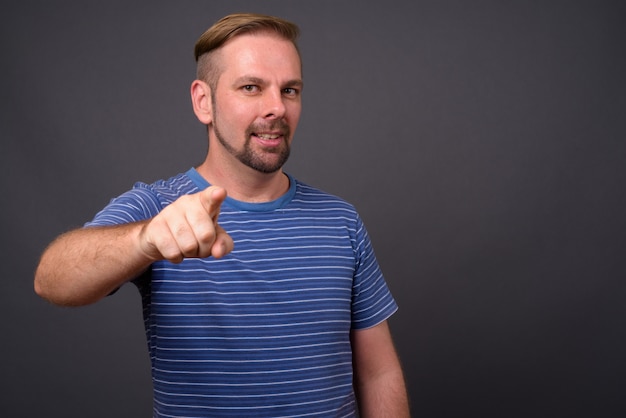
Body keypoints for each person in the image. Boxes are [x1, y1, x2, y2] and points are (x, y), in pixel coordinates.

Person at [34, 13, 410, 417]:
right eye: (251, 87)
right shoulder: (159, 209)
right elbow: (52, 278)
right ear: (203, 101)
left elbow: (378, 373)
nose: (276, 108)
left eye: (290, 90)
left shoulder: (341, 221)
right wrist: (145, 240)